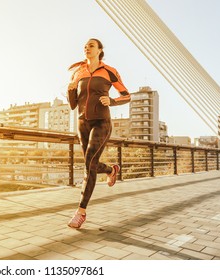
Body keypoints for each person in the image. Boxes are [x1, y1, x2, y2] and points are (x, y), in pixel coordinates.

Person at [67, 38, 131, 229]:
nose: (87, 48)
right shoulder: (78, 72)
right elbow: (73, 105)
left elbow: (126, 95)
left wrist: (112, 101)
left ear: (100, 50)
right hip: (82, 123)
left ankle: (81, 211)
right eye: (85, 46)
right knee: (90, 162)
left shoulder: (109, 71)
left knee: (89, 163)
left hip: (101, 122)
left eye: (91, 45)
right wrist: (71, 91)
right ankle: (111, 170)